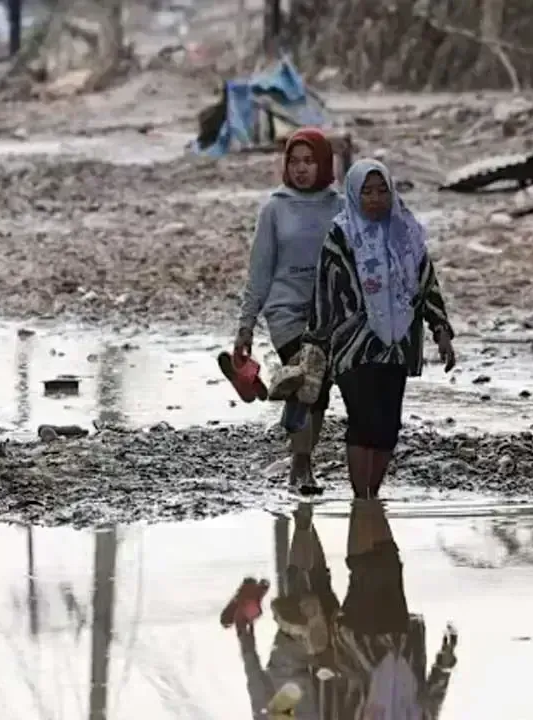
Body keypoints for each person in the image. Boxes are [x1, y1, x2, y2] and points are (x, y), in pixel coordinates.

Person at [302, 159, 456, 499]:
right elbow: (324, 294)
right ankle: (362, 501)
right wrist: (315, 346)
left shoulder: (406, 234)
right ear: (354, 195)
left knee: (388, 428)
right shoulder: (340, 236)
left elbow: (426, 282)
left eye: (382, 191)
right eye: (367, 192)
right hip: (352, 345)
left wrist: (440, 330)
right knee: (363, 420)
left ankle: (373, 495)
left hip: (398, 345)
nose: (375, 198)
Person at [235, 128, 343, 493]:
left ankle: (299, 448)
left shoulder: (340, 208)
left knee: (319, 391)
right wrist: (246, 325)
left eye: (309, 162)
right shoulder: (275, 209)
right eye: (294, 162)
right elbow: (260, 269)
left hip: (327, 314)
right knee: (308, 377)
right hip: (285, 311)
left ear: (324, 164)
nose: (301, 169)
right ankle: (302, 465)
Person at [323, 499, 458, 718]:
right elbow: (431, 703)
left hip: (363, 646)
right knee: (390, 564)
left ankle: (362, 500)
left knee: (366, 572)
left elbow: (333, 701)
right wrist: (444, 661)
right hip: (399, 643)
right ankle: (369, 499)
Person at [230, 502, 338, 718]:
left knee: (318, 583)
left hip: (324, 663)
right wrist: (244, 634)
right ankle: (303, 517)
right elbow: (255, 682)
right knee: (302, 584)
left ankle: (304, 517)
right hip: (292, 656)